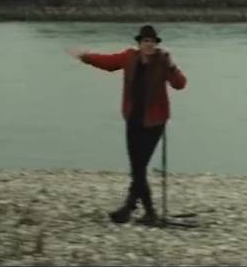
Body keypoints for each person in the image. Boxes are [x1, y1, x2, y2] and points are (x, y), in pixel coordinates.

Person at [68, 25, 187, 225]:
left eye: (151, 42)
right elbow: (108, 62)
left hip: (155, 121)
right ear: (139, 43)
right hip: (133, 119)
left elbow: (180, 84)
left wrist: (172, 66)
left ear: (156, 44)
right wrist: (85, 57)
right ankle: (134, 209)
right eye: (145, 41)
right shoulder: (129, 57)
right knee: (137, 168)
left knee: (139, 167)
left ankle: (141, 210)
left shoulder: (162, 61)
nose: (148, 45)